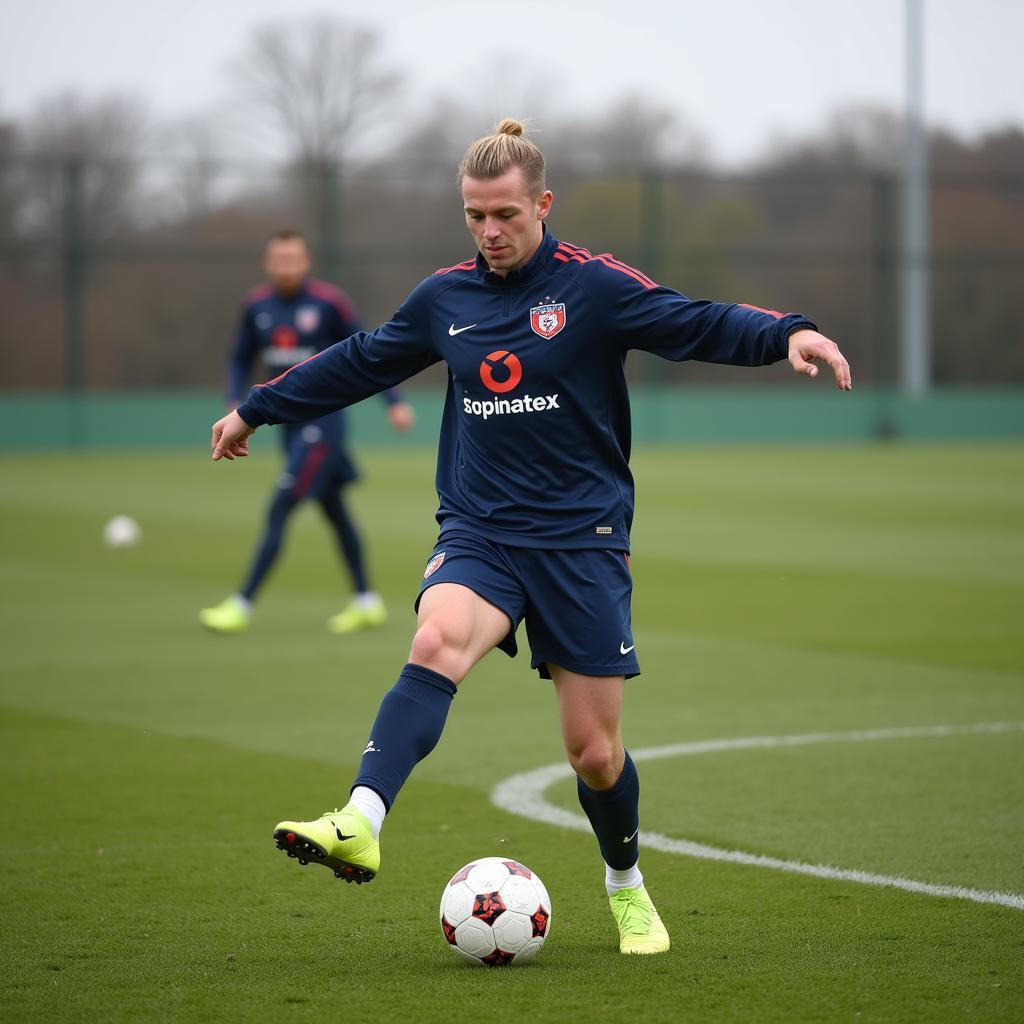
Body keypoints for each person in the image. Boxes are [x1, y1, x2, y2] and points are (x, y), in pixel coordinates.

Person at [210, 121, 852, 955]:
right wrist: (258, 405)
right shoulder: (446, 298)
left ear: (543, 205)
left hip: (582, 539)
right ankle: (360, 819)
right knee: (435, 636)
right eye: (475, 214)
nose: (489, 230)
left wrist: (786, 332)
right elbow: (362, 361)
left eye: (505, 213)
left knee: (592, 752)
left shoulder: (594, 288)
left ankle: (625, 884)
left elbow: (692, 322)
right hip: (481, 528)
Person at [200, 229, 415, 635]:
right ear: (268, 263)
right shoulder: (256, 305)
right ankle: (367, 601)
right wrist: (234, 400)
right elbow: (239, 358)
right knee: (335, 511)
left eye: (292, 259)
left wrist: (395, 403)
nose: (285, 267)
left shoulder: (329, 303)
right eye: (278, 260)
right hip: (285, 426)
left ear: (306, 261)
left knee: (281, 506)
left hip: (323, 426)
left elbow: (373, 354)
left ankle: (242, 603)